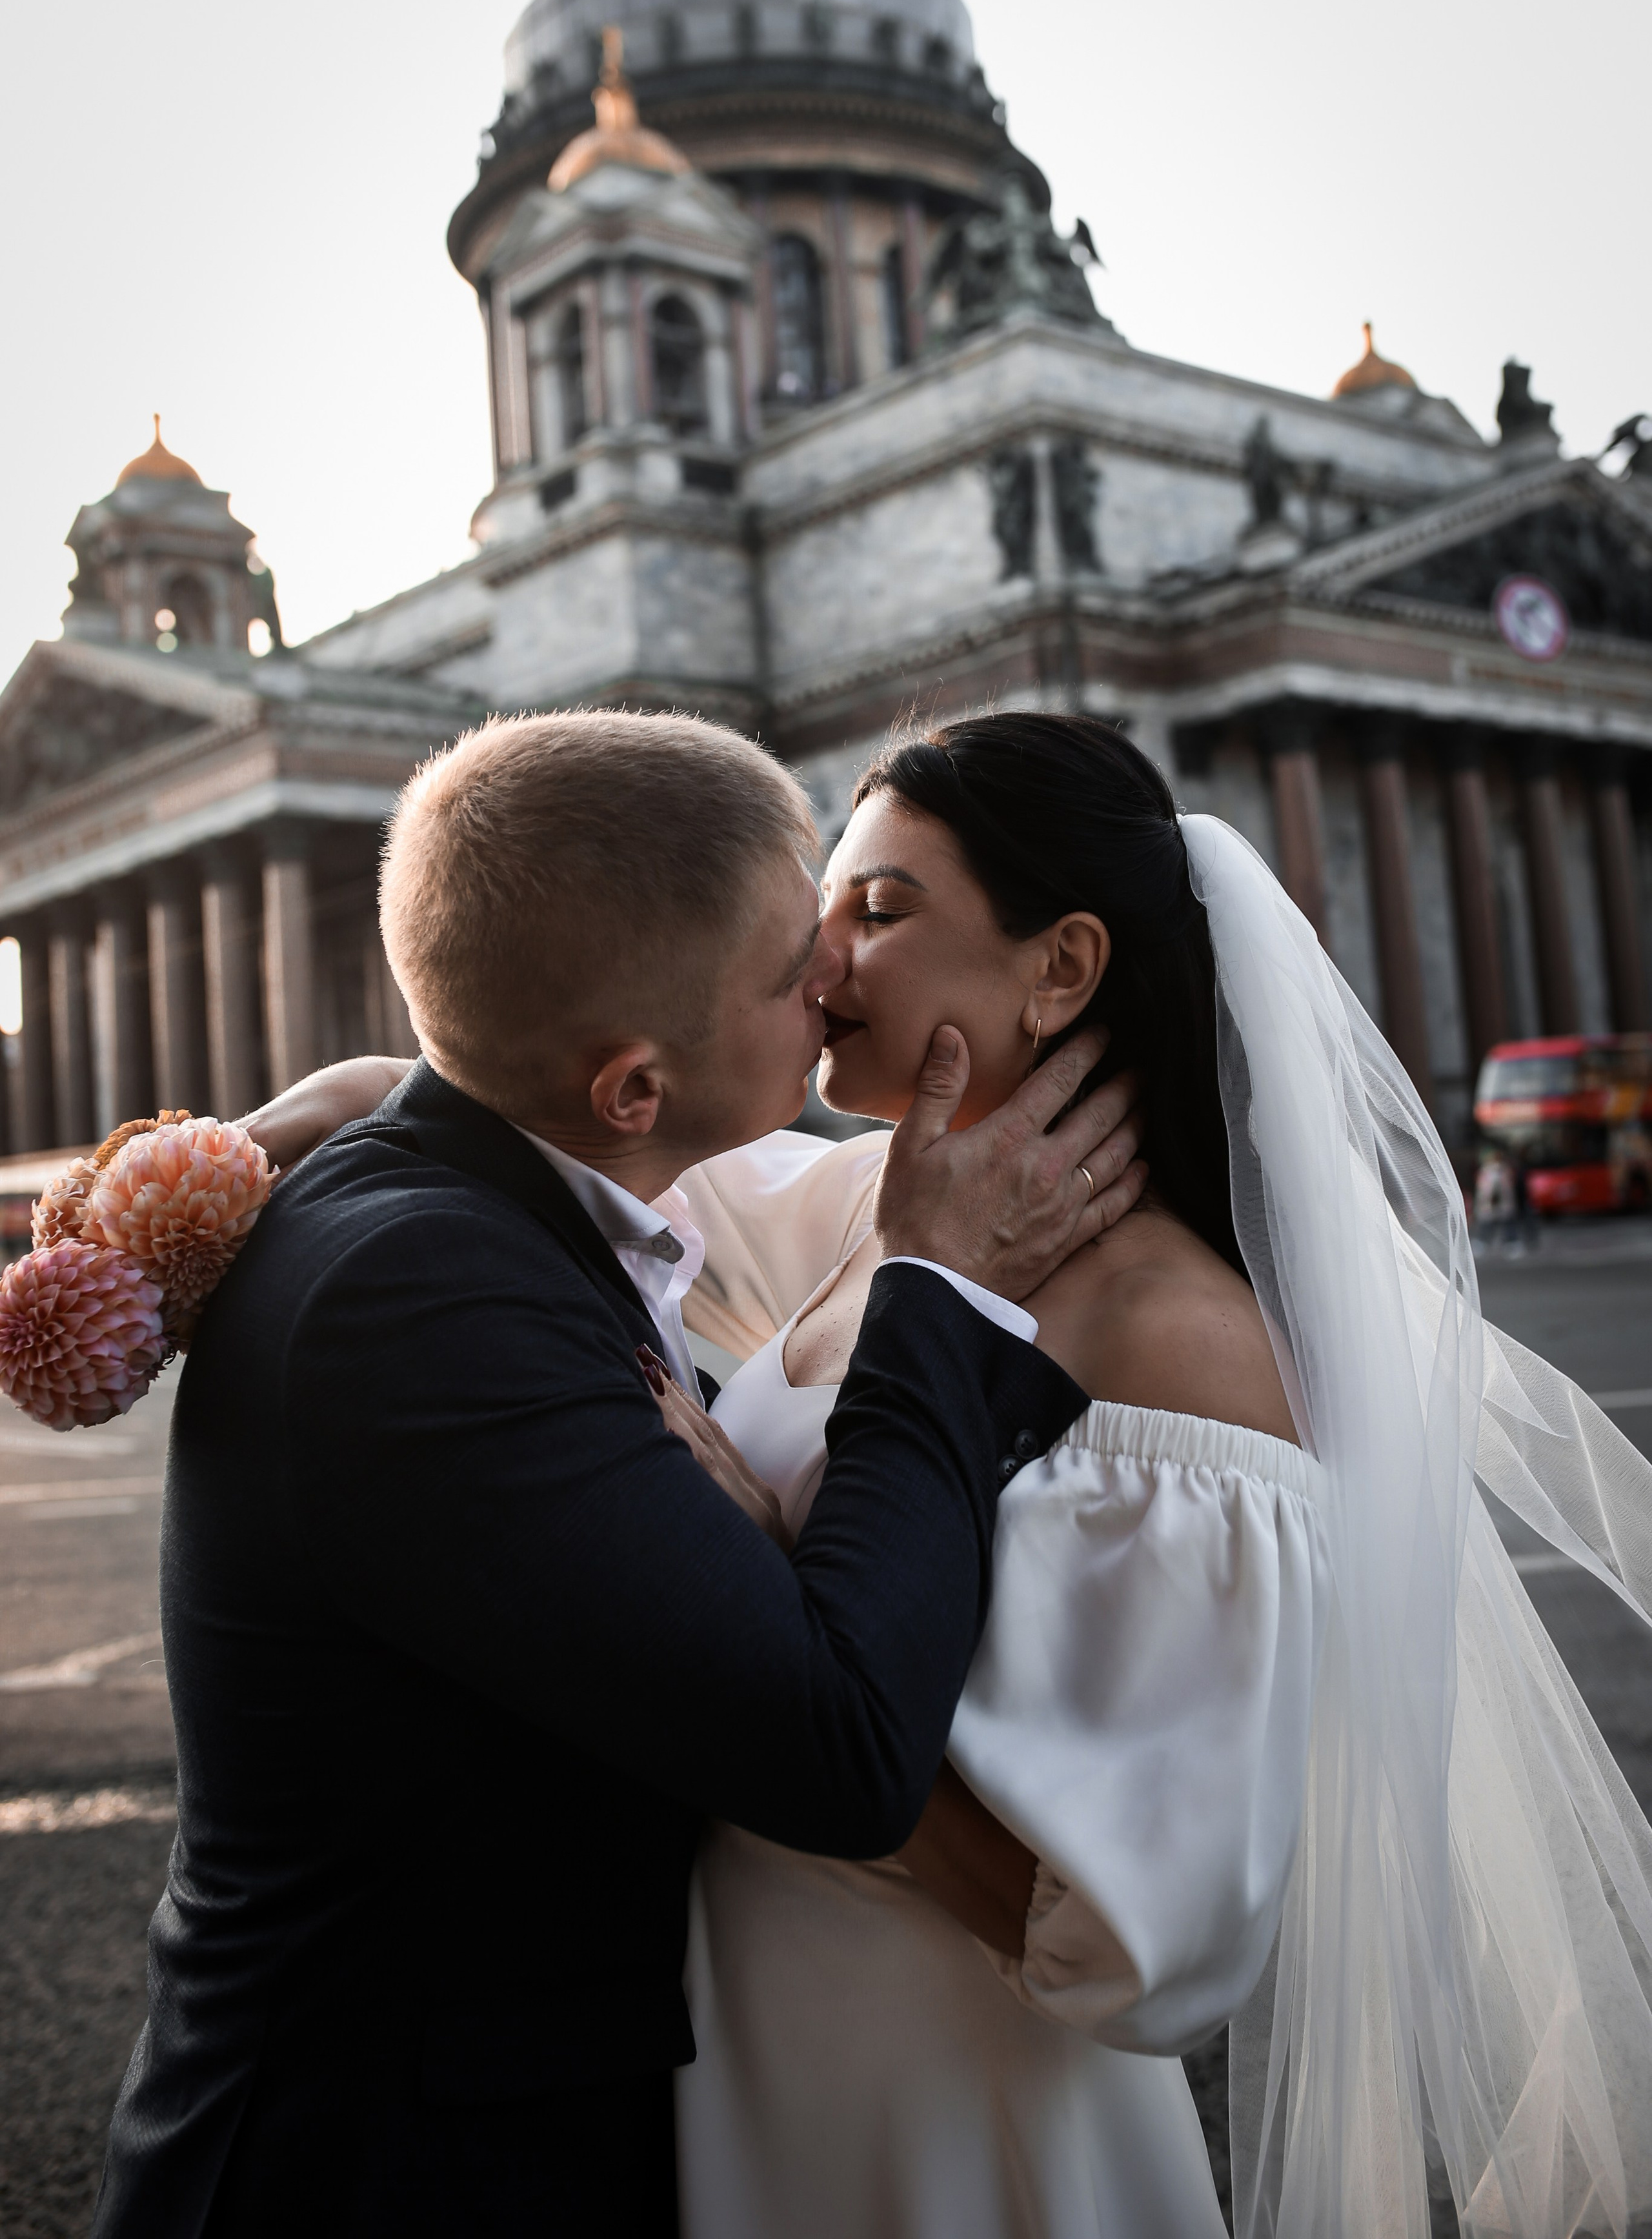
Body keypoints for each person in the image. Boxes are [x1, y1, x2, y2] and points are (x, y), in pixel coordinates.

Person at [243, 714, 1652, 2238]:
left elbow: (1132, 1945)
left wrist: (773, 1620)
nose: (819, 965)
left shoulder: (1173, 1342)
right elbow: (592, 1097)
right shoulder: (889, 1201)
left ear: (1058, 969)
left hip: (944, 2109)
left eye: (879, 911)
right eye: (819, 912)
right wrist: (246, 1148)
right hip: (742, 2051)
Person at [92, 710, 1149, 2239]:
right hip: (385, 2178)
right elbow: (843, 1750)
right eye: (795, 969)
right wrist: (936, 1284)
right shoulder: (422, 1296)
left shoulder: (478, 1188)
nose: (835, 983)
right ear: (636, 1091)